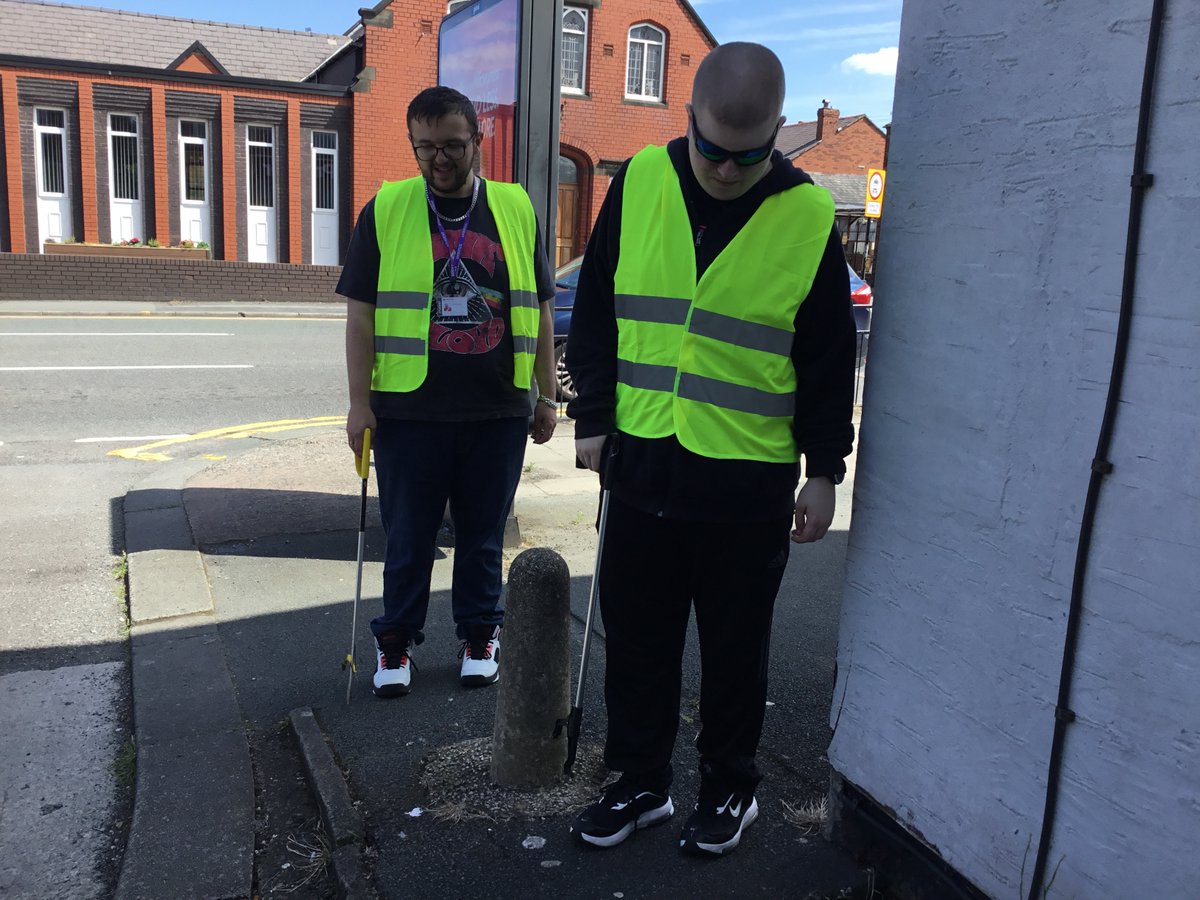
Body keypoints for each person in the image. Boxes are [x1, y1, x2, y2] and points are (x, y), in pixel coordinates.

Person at [566, 43, 856, 856]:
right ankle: (639, 784)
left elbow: (828, 358)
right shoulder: (642, 180)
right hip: (642, 461)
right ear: (687, 119)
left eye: (752, 154)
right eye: (713, 151)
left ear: (777, 135)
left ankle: (731, 791)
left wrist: (825, 472)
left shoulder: (805, 215)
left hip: (747, 481)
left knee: (734, 655)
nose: (728, 170)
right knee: (638, 643)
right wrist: (592, 415)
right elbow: (595, 308)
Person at [339, 86, 558, 698]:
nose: (439, 159)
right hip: (410, 411)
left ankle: (479, 636)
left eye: (452, 145)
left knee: (483, 537)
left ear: (477, 142)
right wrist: (360, 402)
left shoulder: (514, 209)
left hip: (497, 409)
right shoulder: (386, 209)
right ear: (413, 145)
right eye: (425, 147)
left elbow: (539, 309)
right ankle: (394, 645)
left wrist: (545, 394)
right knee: (407, 536)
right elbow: (360, 315)